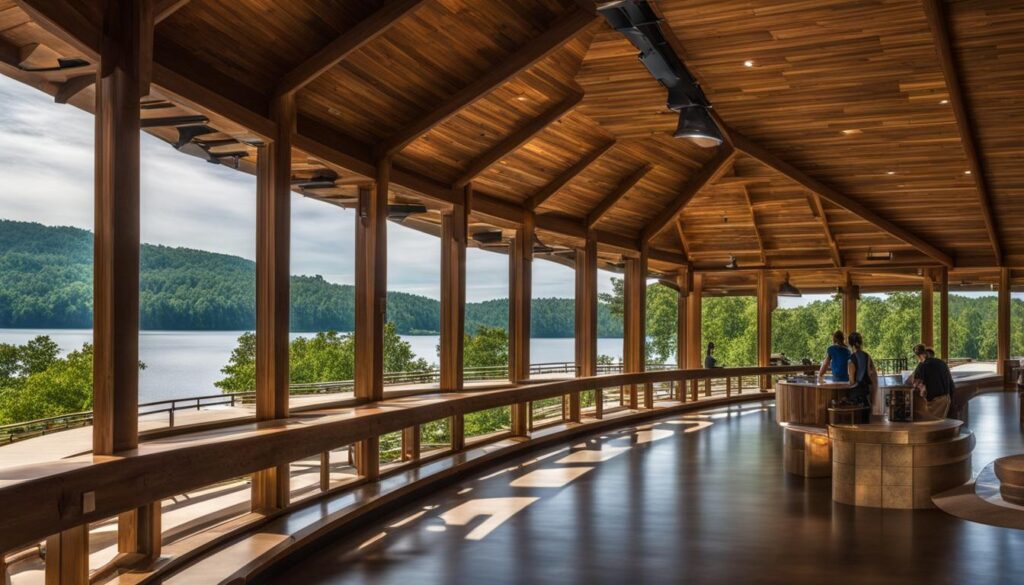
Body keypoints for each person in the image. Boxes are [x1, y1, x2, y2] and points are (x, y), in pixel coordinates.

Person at [909, 343, 953, 420]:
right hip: (946, 399)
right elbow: (951, 384)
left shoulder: (922, 365)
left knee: (929, 426)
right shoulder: (942, 363)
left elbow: (915, 383)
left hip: (934, 402)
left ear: (919, 356)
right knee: (939, 425)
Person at [846, 331, 880, 414]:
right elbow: (872, 375)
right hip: (867, 394)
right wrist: (874, 397)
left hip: (856, 396)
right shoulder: (867, 356)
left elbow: (852, 381)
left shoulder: (851, 359)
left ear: (850, 344)